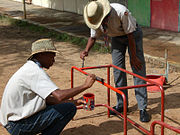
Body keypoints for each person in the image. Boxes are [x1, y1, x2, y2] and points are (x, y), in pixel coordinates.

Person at [0, 38, 96, 135]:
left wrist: (76, 101)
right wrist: (85, 86)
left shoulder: (30, 67)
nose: (53, 60)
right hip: (18, 125)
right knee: (69, 109)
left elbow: (48, 100)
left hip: (12, 123)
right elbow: (59, 96)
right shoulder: (35, 71)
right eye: (52, 56)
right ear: (41, 55)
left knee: (67, 105)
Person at [80, 0, 150, 122]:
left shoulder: (120, 11)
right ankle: (122, 105)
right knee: (117, 70)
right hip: (116, 38)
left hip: (132, 35)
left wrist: (133, 57)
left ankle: (142, 108)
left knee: (137, 68)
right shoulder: (94, 18)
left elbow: (130, 36)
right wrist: (86, 50)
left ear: (105, 14)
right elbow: (93, 37)